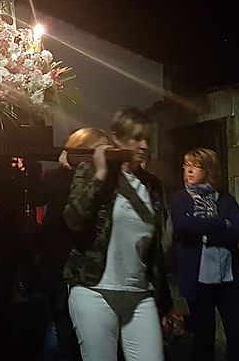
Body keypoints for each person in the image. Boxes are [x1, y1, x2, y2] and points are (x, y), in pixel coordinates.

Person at [62, 107, 173, 361]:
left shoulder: (152, 185)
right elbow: (73, 219)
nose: (144, 145)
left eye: (148, 138)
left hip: (139, 292)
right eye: (136, 137)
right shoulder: (91, 171)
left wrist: (164, 302)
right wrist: (101, 174)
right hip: (95, 289)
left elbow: (153, 249)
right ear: (117, 138)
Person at [37, 128, 110, 361]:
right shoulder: (62, 179)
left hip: (74, 265)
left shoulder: (74, 178)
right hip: (63, 265)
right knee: (62, 332)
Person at [171, 148, 239, 361]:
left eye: (196, 167)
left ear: (210, 170)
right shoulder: (181, 198)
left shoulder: (225, 199)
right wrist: (220, 224)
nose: (189, 172)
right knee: (204, 339)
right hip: (199, 281)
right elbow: (184, 224)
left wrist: (207, 237)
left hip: (229, 280)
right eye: (186, 167)